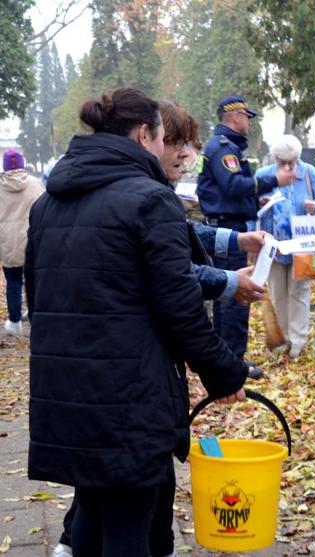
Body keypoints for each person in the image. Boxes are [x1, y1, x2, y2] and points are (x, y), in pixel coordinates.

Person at [26, 86, 248, 557]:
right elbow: (180, 304)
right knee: (129, 530)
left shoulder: (47, 204)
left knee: (89, 517)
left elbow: (39, 297)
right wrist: (224, 370)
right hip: (127, 398)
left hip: (65, 394)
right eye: (165, 137)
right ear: (145, 134)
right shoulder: (149, 200)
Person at [196, 95, 296, 377]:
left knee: (223, 294)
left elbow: (225, 192)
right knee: (235, 294)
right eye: (247, 117)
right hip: (228, 231)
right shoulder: (224, 149)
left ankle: (224, 359)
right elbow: (232, 185)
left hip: (225, 225)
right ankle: (234, 363)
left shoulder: (223, 147)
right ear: (235, 117)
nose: (249, 123)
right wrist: (275, 179)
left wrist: (255, 204)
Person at [255, 135, 315, 357]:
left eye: (291, 162)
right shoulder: (263, 176)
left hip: (302, 243)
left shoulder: (309, 173)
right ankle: (282, 338)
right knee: (278, 292)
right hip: (273, 244)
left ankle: (298, 340)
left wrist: (314, 206)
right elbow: (249, 207)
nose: (287, 167)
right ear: (275, 159)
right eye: (282, 162)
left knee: (300, 291)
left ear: (298, 158)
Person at [0, 148, 43, 335]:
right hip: (32, 240)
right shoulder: (36, 184)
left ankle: (15, 321)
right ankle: (36, 318)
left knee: (13, 281)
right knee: (34, 282)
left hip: (8, 241)